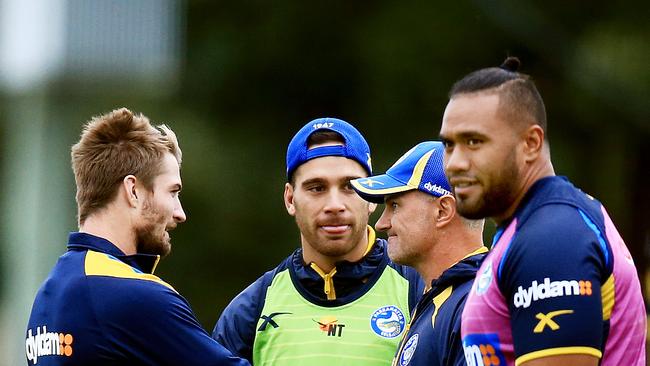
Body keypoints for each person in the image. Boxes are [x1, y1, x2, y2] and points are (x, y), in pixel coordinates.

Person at [439, 57, 646, 366]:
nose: (455, 162)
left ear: (531, 143)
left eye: (474, 141)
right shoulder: (530, 229)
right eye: (449, 145)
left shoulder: (552, 239)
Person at [25, 108, 249, 365]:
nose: (180, 213)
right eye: (172, 192)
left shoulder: (47, 296)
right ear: (133, 190)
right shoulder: (134, 296)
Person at [212, 117, 424, 365]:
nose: (334, 205)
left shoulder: (420, 290)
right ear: (290, 199)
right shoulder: (251, 310)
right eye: (316, 188)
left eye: (349, 186)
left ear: (370, 197)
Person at [351, 141, 487, 366]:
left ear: (442, 211)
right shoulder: (440, 299)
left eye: (395, 205)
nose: (381, 224)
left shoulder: (475, 307)